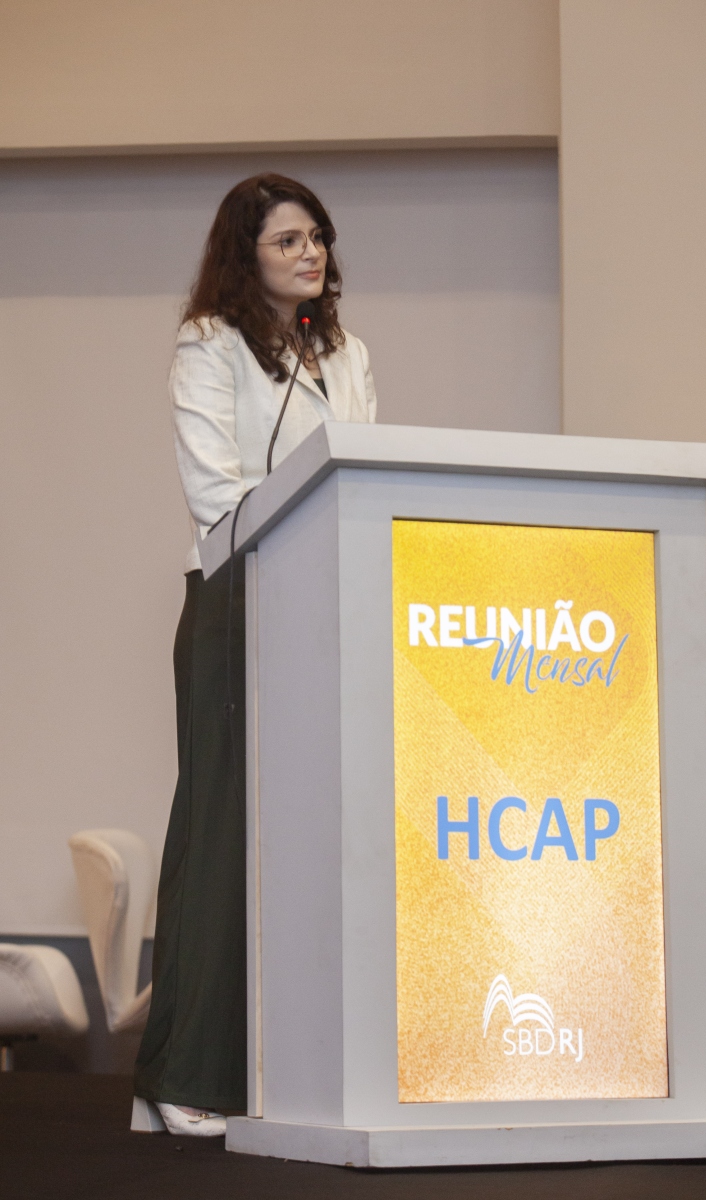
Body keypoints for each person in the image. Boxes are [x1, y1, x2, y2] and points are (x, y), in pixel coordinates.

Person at [133, 174, 377, 1136]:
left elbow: (367, 472)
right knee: (223, 830)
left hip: (331, 604)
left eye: (317, 237)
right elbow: (215, 492)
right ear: (247, 254)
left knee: (321, 838)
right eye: (287, 241)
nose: (310, 253)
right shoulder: (210, 345)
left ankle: (294, 1071)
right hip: (241, 600)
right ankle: (183, 1072)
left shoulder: (346, 351)